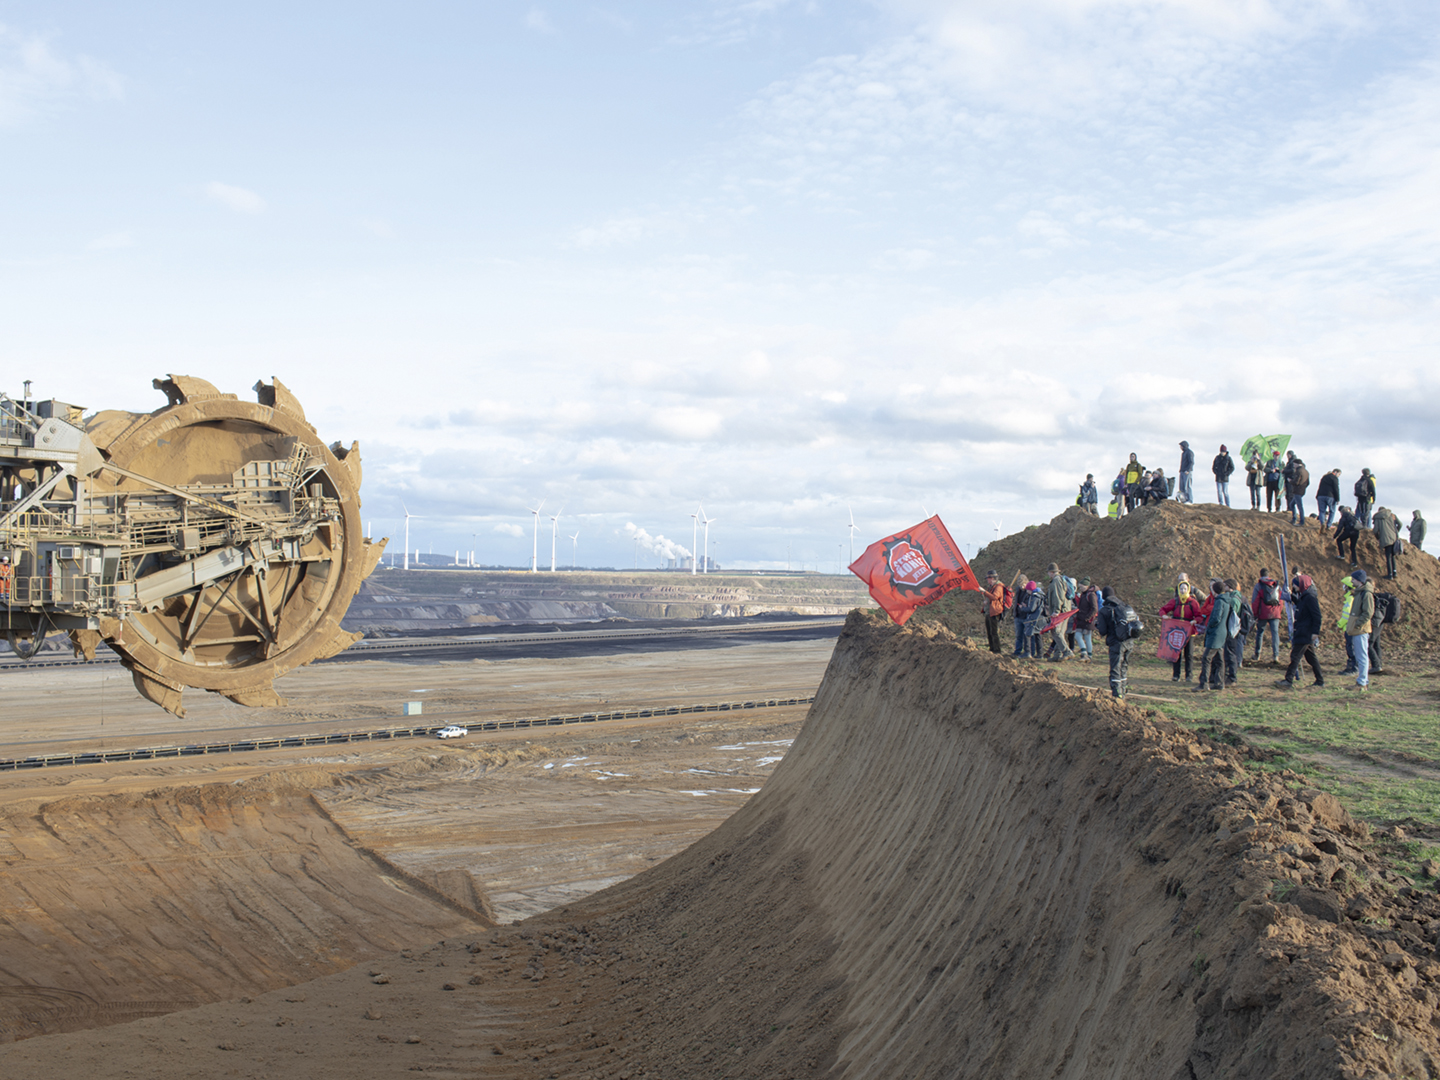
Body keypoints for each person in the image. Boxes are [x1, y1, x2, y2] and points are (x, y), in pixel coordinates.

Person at [1277, 574, 1324, 689]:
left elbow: (1317, 616)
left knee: (1295, 656)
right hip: (1302, 631)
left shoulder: (1310, 597)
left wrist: (1315, 632)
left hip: (1305, 632)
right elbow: (1300, 605)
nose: (1294, 586)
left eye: (1295, 584)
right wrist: (1291, 596)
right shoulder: (1305, 597)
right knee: (1311, 658)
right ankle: (1320, 680)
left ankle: (1288, 680)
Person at [1094, 586, 1136, 699]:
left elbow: (1102, 631)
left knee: (1115, 667)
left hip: (1116, 643)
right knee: (1124, 666)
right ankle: (1123, 689)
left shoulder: (1104, 610)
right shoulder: (1123, 606)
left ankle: (1117, 694)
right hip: (1129, 641)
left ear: (1104, 597)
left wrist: (1097, 625)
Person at [1195, 579, 1237, 691]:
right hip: (1222, 632)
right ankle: (1219, 683)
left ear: (1214, 591)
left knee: (1206, 658)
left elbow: (1216, 618)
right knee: (1219, 659)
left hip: (1215, 633)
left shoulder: (1219, 601)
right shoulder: (1227, 599)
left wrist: (1210, 626)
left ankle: (1204, 684)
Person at [1159, 573, 1202, 682]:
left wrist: (1195, 621)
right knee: (1176, 653)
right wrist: (1164, 615)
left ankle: (1189, 676)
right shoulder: (1175, 601)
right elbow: (1163, 609)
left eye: (1184, 589)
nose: (1182, 590)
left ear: (1188, 590)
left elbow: (1199, 616)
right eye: (1181, 589)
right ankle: (1176, 675)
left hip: (1189, 631)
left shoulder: (1193, 602)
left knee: (1189, 654)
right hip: (1177, 631)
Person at [1345, 568, 1375, 691]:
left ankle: (1362, 682)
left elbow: (1368, 612)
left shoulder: (1366, 594)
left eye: (1353, 579)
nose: (1351, 581)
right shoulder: (1360, 592)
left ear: (1359, 581)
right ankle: (1361, 681)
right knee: (1360, 655)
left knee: (1362, 656)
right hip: (1358, 629)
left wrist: (1358, 624)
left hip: (1361, 630)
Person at [1251, 568, 1285, 664]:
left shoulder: (1259, 585)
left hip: (1263, 613)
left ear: (1260, 574)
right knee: (1275, 633)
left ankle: (1257, 654)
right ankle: (1276, 656)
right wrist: (1279, 611)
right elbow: (1281, 600)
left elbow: (1255, 601)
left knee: (1260, 632)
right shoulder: (1276, 585)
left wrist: (1255, 614)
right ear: (1269, 575)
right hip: (1275, 612)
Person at [1043, 562, 1074, 661]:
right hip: (1064, 610)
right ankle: (1057, 655)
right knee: (1060, 633)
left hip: (1060, 611)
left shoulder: (1056, 581)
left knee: (1056, 632)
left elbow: (1057, 596)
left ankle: (1067, 652)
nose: (1048, 574)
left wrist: (1056, 611)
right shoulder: (1060, 580)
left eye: (1048, 572)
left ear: (1051, 572)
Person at [1223, 577, 1248, 684]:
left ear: (1229, 587)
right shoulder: (1239, 597)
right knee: (1230, 653)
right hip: (1234, 629)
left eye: (1225, 586)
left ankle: (1232, 677)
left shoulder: (1233, 600)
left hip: (1232, 630)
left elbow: (1230, 615)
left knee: (1230, 654)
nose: (1223, 588)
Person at [1072, 577, 1099, 662]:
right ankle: (1086, 654)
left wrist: (1088, 617)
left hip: (1087, 620)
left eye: (1082, 586)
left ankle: (1087, 655)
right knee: (1078, 635)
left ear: (1087, 586)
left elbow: (1095, 608)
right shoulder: (1084, 594)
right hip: (1081, 619)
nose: (1081, 588)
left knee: (1087, 637)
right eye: (1080, 587)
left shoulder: (1091, 595)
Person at [981, 570, 1007, 654]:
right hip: (989, 612)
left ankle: (997, 650)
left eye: (988, 578)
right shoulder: (991, 587)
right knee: (989, 632)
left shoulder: (998, 587)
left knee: (994, 632)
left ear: (992, 578)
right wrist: (986, 602)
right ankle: (992, 648)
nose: (987, 580)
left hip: (994, 612)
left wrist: (984, 592)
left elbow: (995, 597)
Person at [1336, 575, 1357, 675]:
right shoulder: (1351, 597)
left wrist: (1339, 624)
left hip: (1349, 627)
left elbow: (1346, 615)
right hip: (1350, 627)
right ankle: (1351, 667)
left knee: (1351, 647)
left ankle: (1354, 668)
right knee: (1350, 647)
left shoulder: (1350, 598)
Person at [1373, 506, 1401, 579]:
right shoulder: (1392, 515)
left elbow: (1375, 530)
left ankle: (1390, 575)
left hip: (1385, 538)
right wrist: (1396, 531)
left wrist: (1378, 537)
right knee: (1393, 556)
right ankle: (1394, 572)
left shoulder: (1378, 517)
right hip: (1393, 537)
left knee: (1388, 557)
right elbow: (1400, 524)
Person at [1011, 575, 1032, 656]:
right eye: (1020, 585)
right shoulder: (1018, 590)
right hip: (1018, 615)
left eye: (1023, 585)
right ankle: (1017, 651)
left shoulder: (1030, 592)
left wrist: (1025, 606)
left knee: (1027, 636)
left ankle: (1027, 652)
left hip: (1026, 616)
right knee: (1018, 635)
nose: (1022, 587)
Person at [1288, 456, 1310, 526]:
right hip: (1302, 490)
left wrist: (1290, 481)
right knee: (1292, 504)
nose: (1293, 466)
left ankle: (1301, 522)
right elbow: (1308, 482)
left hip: (1297, 490)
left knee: (1299, 506)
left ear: (1297, 464)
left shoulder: (1298, 471)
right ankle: (1294, 519)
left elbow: (1296, 482)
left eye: (1294, 464)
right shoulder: (1306, 471)